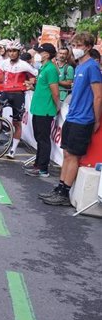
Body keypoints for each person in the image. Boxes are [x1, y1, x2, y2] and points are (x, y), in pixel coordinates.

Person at [40, 33, 102, 206]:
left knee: (73, 156)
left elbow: (98, 96)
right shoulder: (79, 67)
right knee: (67, 153)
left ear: (88, 47)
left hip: (83, 119)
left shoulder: (92, 67)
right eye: (74, 44)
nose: (75, 48)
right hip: (73, 116)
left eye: (79, 45)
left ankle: (65, 192)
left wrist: (96, 120)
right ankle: (60, 187)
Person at [0, 40, 37, 159]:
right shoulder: (4, 63)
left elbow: (34, 77)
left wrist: (29, 82)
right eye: (10, 51)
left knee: (17, 123)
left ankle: (13, 150)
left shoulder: (24, 65)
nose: (12, 53)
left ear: (19, 52)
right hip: (5, 92)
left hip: (18, 95)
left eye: (14, 51)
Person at [25, 43, 59, 178]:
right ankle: (38, 165)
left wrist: (57, 106)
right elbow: (43, 87)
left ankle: (43, 168)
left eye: (41, 51)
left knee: (43, 139)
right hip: (39, 108)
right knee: (39, 138)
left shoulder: (50, 69)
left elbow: (55, 91)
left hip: (45, 109)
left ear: (47, 54)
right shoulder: (44, 68)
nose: (38, 54)